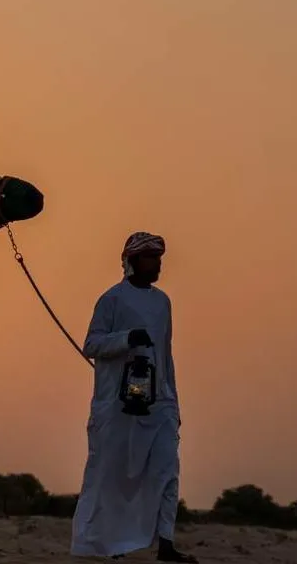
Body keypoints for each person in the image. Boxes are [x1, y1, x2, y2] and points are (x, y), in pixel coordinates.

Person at [71, 232, 197, 563]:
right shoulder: (112, 299)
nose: (157, 264)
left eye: (159, 257)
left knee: (167, 470)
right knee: (111, 476)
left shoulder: (163, 302)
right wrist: (127, 338)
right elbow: (92, 344)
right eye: (150, 257)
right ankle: (107, 544)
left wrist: (173, 401)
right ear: (132, 261)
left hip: (159, 402)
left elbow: (166, 354)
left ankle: (166, 544)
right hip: (117, 405)